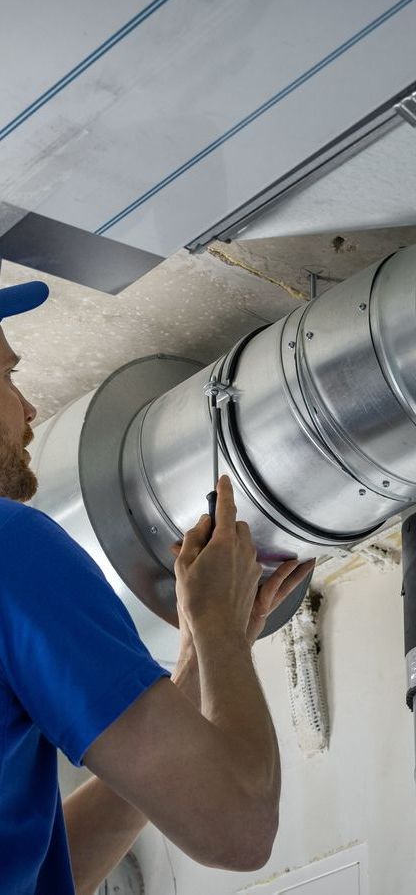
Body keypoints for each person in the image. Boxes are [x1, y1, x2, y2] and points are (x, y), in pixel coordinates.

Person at [0, 280, 315, 893]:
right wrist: (221, 632)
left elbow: (46, 879)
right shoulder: (10, 548)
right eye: (8, 376)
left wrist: (202, 661)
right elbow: (238, 827)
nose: (29, 409)